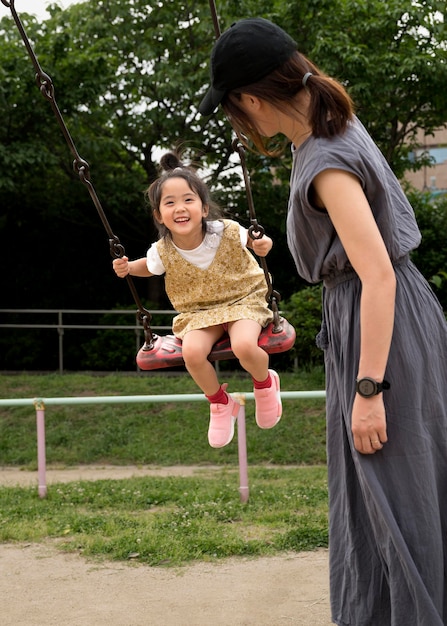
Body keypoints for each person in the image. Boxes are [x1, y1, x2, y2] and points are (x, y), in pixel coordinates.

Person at [199, 16, 447, 626]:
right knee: (398, 492)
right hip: (389, 317)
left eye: (236, 111)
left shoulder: (328, 160)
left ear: (252, 100)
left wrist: (369, 390)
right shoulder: (334, 128)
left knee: (396, 498)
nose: (242, 124)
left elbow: (378, 275)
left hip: (378, 325)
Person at [113, 150, 282, 449]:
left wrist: (263, 243)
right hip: (199, 311)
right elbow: (147, 267)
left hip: (243, 299)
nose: (180, 207)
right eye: (170, 202)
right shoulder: (162, 250)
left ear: (204, 208)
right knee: (192, 353)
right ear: (159, 215)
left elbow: (255, 242)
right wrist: (127, 268)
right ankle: (220, 402)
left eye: (188, 200)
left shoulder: (225, 231)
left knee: (244, 345)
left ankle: (264, 383)